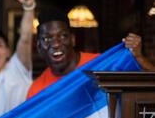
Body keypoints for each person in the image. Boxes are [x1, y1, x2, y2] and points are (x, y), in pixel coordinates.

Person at [27, 9, 155, 98]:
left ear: (72, 39)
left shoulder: (101, 65)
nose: (55, 44)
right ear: (38, 47)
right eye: (47, 39)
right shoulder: (36, 91)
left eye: (62, 36)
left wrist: (138, 57)